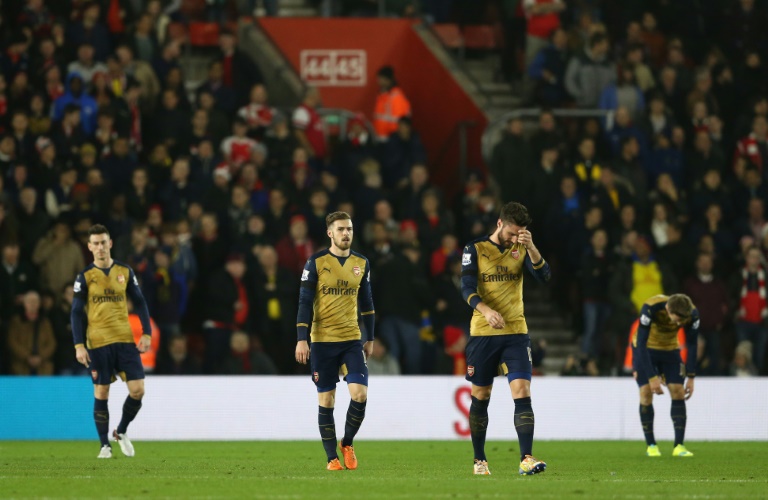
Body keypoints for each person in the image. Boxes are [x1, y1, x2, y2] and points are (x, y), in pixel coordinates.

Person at [460, 201, 551, 475]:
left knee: (522, 391)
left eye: (519, 234)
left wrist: (531, 247)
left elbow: (544, 277)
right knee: (481, 395)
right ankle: (479, 460)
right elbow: (465, 287)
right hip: (483, 333)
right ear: (499, 224)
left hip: (516, 332)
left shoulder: (522, 249)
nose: (514, 239)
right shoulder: (474, 249)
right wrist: (485, 310)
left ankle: (526, 458)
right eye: (511, 233)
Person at [295, 211, 375, 471]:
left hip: (351, 339)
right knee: (327, 400)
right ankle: (331, 459)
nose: (346, 233)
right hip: (322, 341)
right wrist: (301, 339)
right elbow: (305, 303)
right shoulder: (316, 262)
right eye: (341, 229)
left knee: (360, 394)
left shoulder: (361, 263)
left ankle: (347, 443)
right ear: (330, 233)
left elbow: (367, 303)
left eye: (349, 229)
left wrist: (370, 337)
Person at [70, 224, 153, 459]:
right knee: (102, 391)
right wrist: (78, 344)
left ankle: (122, 431)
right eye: (95, 243)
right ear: (89, 247)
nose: (100, 247)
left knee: (138, 391)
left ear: (110, 244)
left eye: (103, 242)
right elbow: (76, 312)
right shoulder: (84, 277)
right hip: (97, 343)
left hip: (125, 340)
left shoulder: (125, 271)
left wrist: (146, 332)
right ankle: (104, 445)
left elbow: (140, 301)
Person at [633, 293, 699, 458]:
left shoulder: (692, 314)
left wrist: (691, 376)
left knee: (678, 391)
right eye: (675, 320)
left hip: (670, 350)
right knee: (646, 393)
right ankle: (651, 446)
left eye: (680, 322)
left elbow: (692, 343)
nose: (678, 324)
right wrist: (652, 377)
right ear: (668, 309)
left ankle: (679, 446)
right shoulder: (650, 308)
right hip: (646, 349)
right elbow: (640, 343)